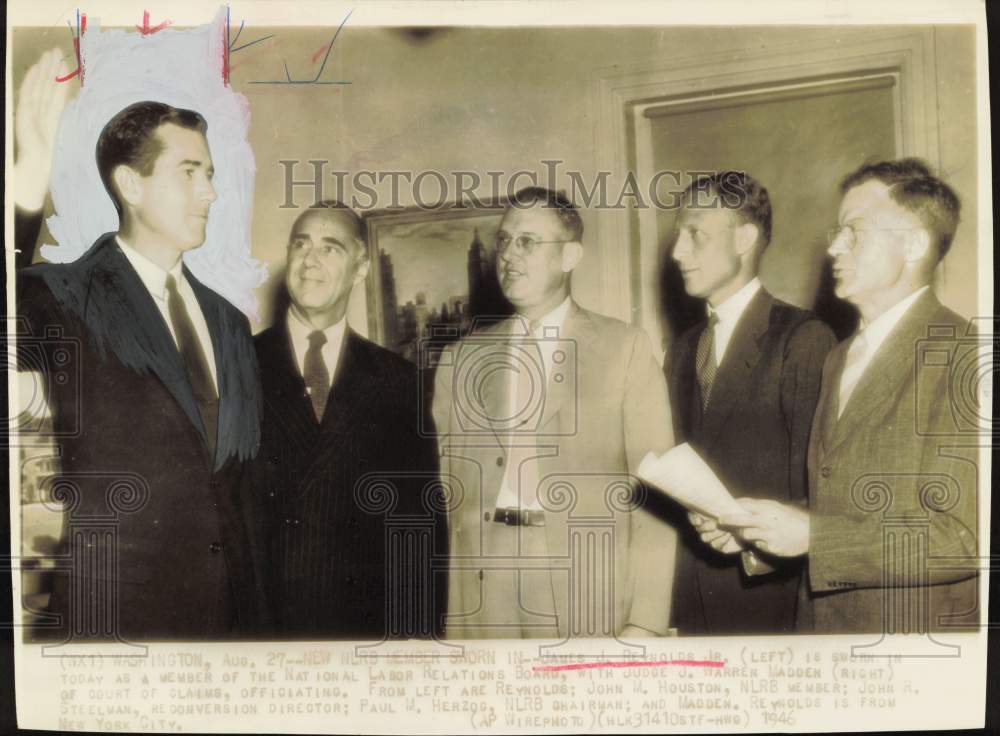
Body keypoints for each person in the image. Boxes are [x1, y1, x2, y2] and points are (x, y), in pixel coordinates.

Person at [16, 98, 265, 640]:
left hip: (228, 625)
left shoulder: (230, 323)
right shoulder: (65, 296)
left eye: (212, 175)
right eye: (190, 173)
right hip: (115, 624)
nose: (211, 193)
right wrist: (23, 198)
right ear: (130, 185)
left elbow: (243, 487)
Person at [717, 159, 979, 634]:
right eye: (837, 232)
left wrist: (815, 537)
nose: (834, 247)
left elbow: (963, 537)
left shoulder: (965, 357)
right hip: (823, 638)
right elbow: (841, 507)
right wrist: (758, 529)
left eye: (854, 232)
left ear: (914, 243)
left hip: (911, 652)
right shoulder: (838, 357)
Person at [433, 187, 677, 639]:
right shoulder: (460, 360)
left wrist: (645, 619)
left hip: (586, 585)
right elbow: (448, 498)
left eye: (528, 241)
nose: (509, 254)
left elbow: (657, 493)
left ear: (570, 256)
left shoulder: (624, 349)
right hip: (486, 592)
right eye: (504, 240)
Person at [254, 202, 446, 639]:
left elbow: (417, 527)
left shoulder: (399, 381)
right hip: (261, 626)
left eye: (331, 248)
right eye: (300, 245)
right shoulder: (236, 366)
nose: (311, 261)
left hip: (363, 626)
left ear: (360, 269)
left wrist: (417, 641)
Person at [667, 171, 835, 635]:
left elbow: (820, 487)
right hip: (692, 602)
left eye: (694, 233)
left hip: (770, 602)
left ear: (744, 238)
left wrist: (750, 540)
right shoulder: (683, 349)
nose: (677, 251)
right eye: (678, 234)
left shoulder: (803, 339)